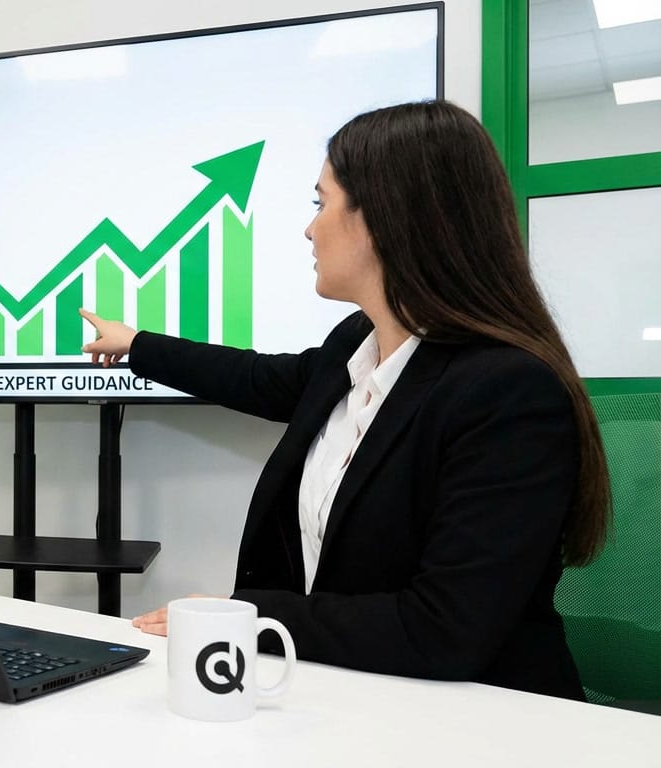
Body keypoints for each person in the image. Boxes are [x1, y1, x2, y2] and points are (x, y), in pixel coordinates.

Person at [79, 100, 610, 700]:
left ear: (384, 217)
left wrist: (248, 617)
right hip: (350, 697)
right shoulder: (355, 346)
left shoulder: (507, 393)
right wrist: (136, 345)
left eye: (320, 203)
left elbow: (444, 630)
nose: (309, 228)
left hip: (482, 724)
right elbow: (256, 378)